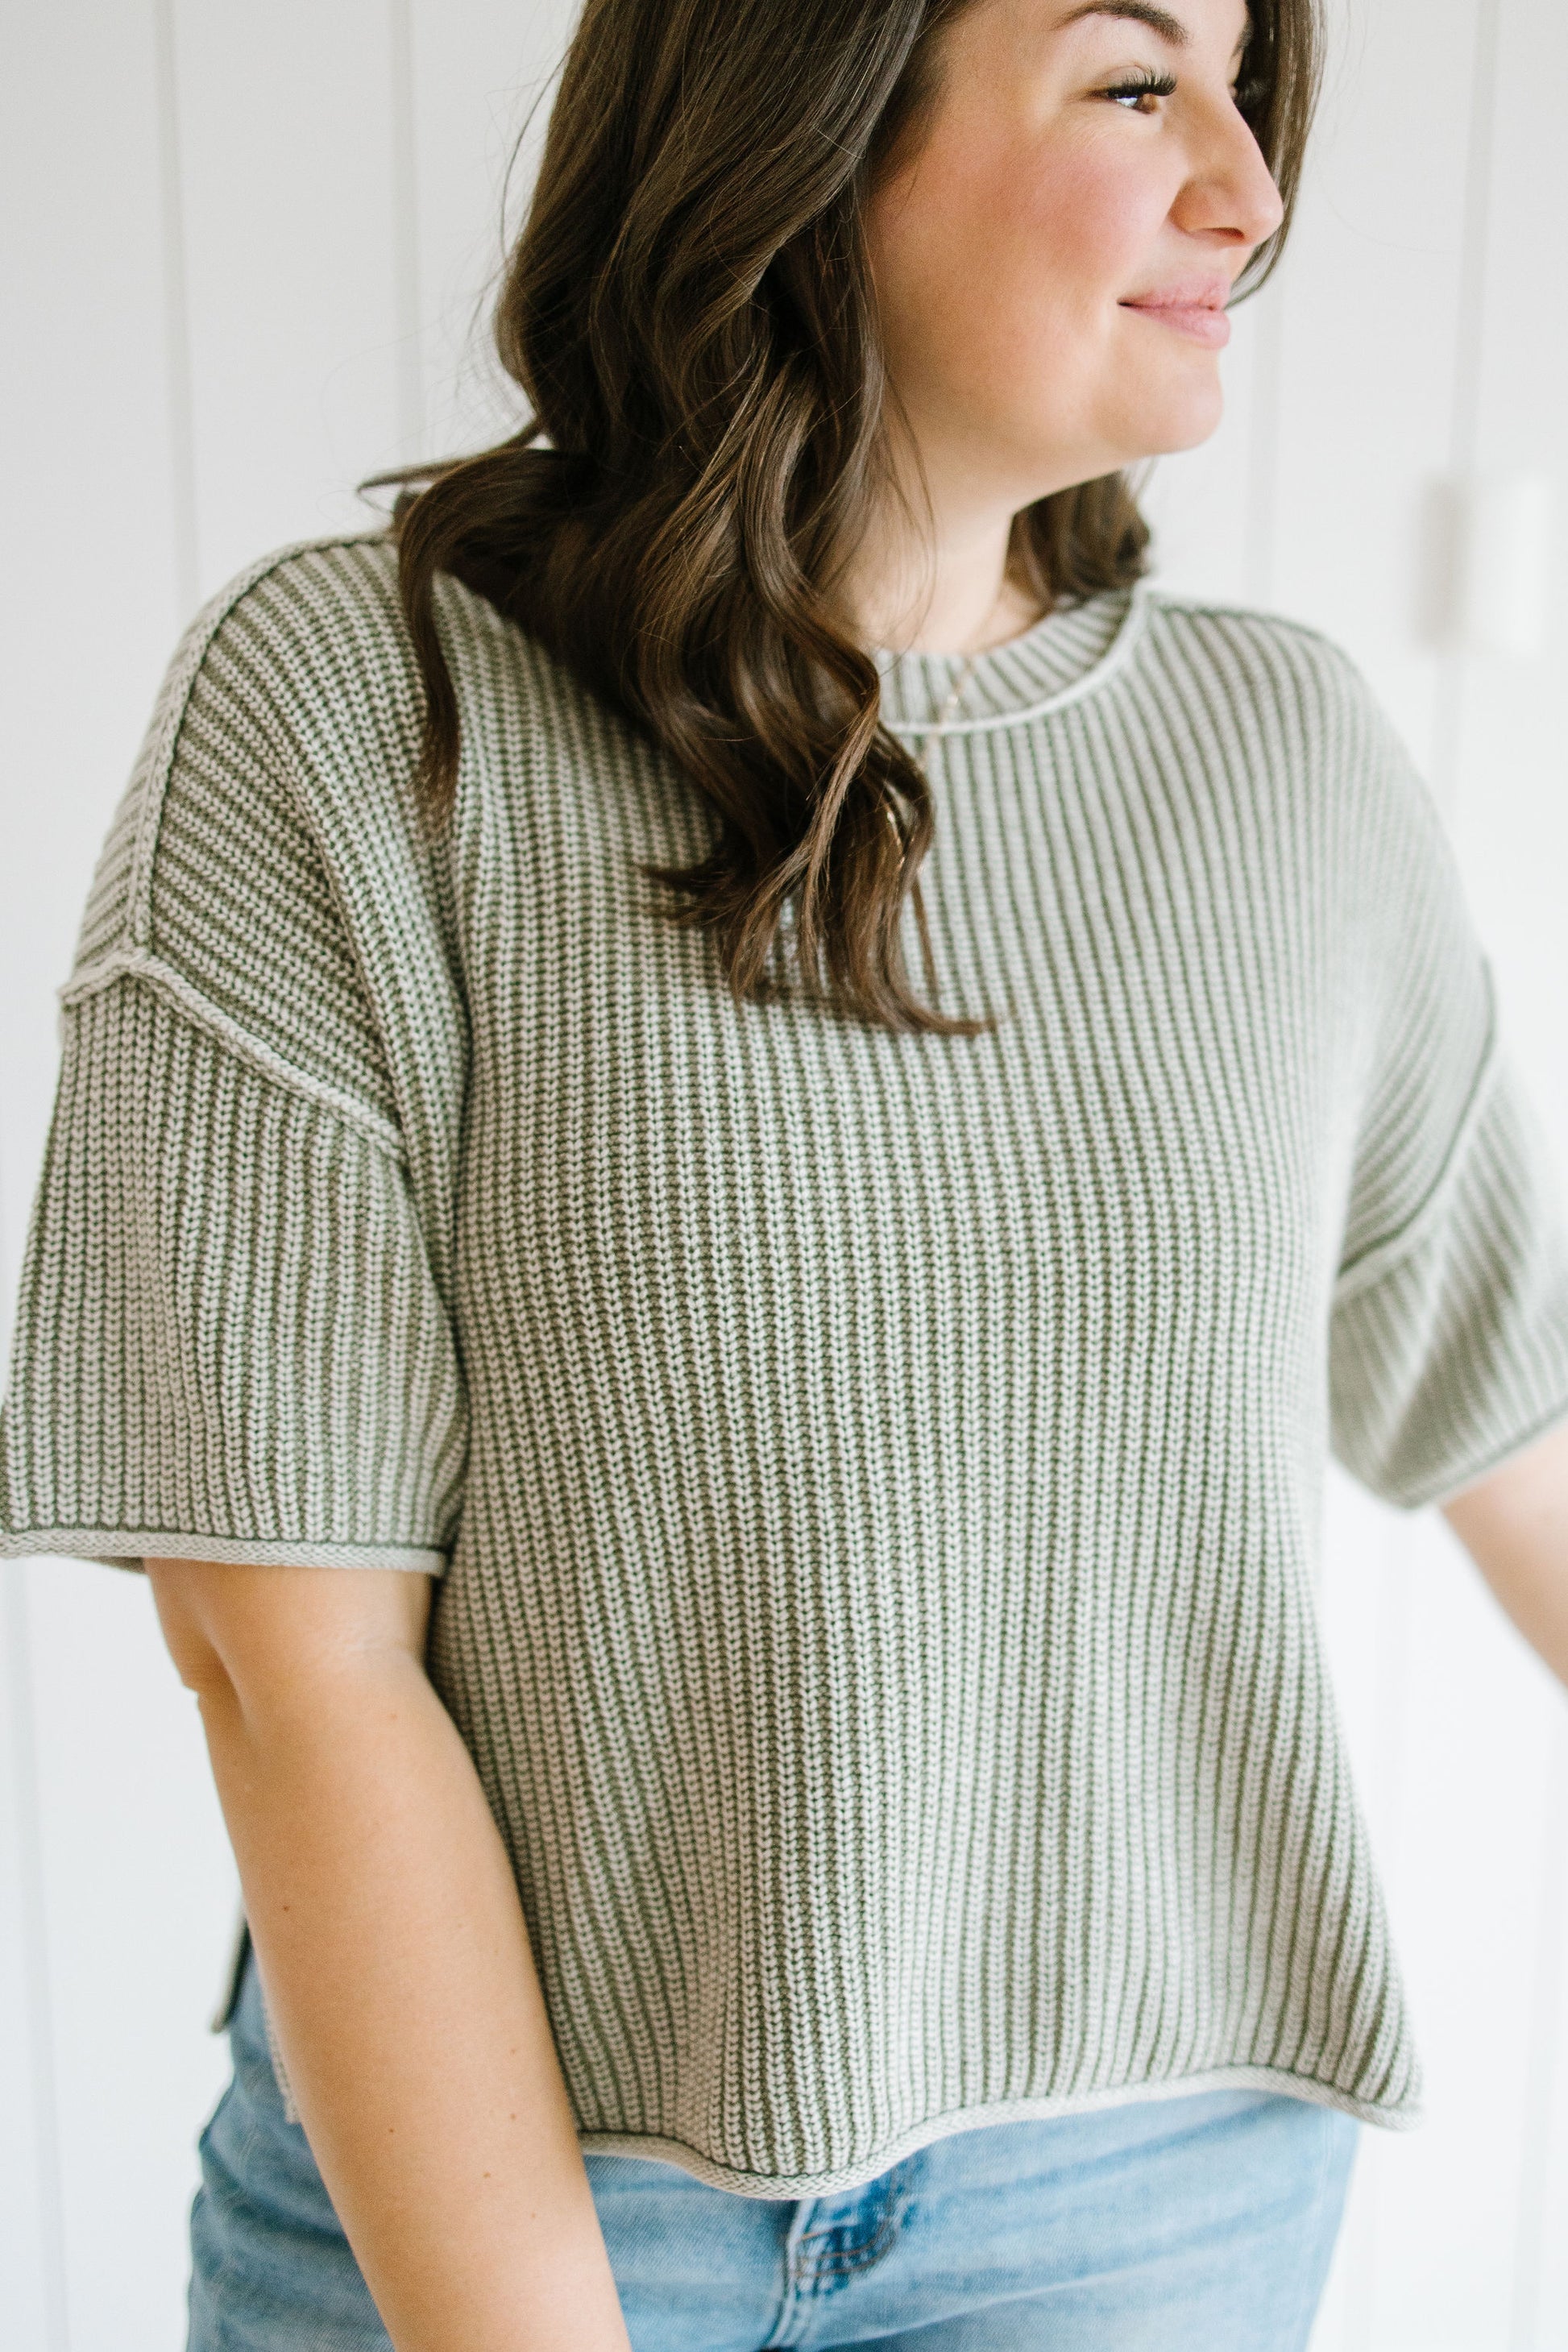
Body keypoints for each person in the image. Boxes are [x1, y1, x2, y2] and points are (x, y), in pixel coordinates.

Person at [4, 0, 1568, 2342]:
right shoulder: (358, 714)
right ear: (807, 129)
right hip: (493, 2184)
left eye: (1249, 89)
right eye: (1134, 80)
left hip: (1142, 2212)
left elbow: (1518, 1417)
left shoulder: (1288, 760)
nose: (1247, 193)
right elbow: (290, 1662)